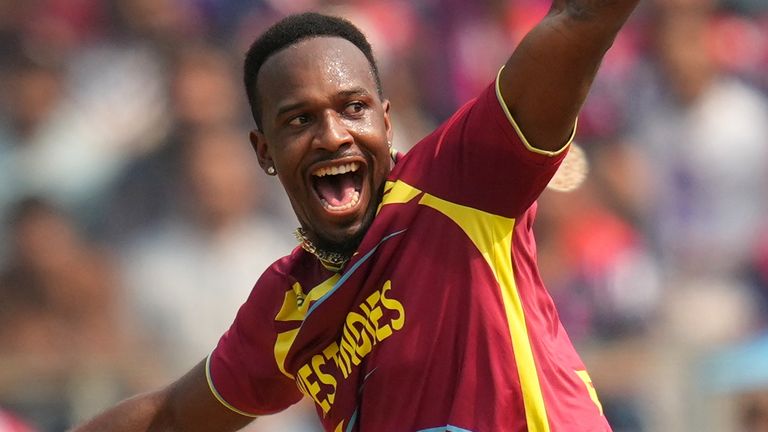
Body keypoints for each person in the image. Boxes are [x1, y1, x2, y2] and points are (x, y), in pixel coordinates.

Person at [72, 0, 640, 430]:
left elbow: (579, 20)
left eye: (353, 108)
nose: (332, 136)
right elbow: (170, 417)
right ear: (264, 151)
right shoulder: (285, 304)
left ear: (386, 122)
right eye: (298, 120)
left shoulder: (459, 184)